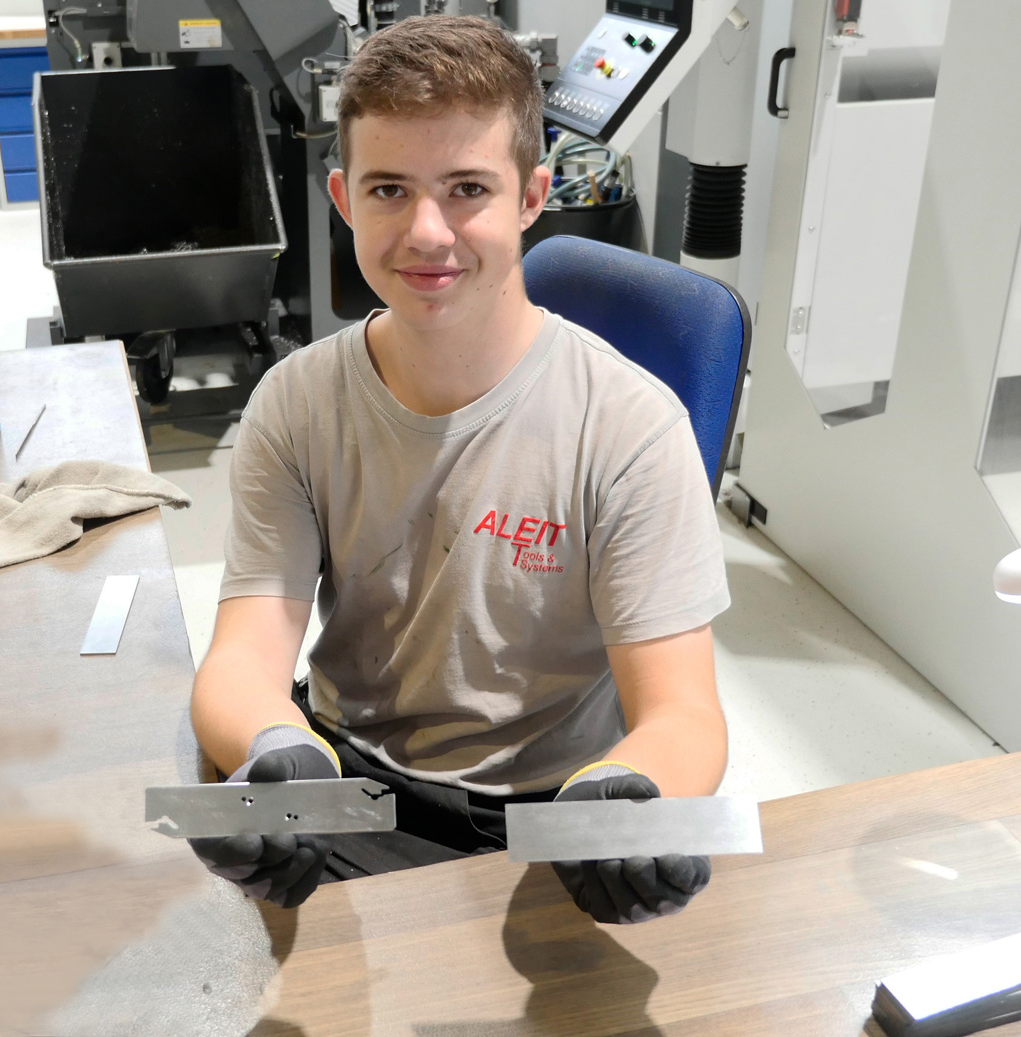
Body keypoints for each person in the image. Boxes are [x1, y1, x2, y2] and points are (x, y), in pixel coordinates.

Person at [187, 14, 731, 925]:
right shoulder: (295, 403)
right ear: (342, 198)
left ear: (532, 197)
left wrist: (630, 796)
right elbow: (243, 653)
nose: (426, 232)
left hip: (556, 819)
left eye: (467, 188)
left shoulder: (629, 424)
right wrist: (279, 749)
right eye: (389, 189)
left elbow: (685, 714)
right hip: (342, 791)